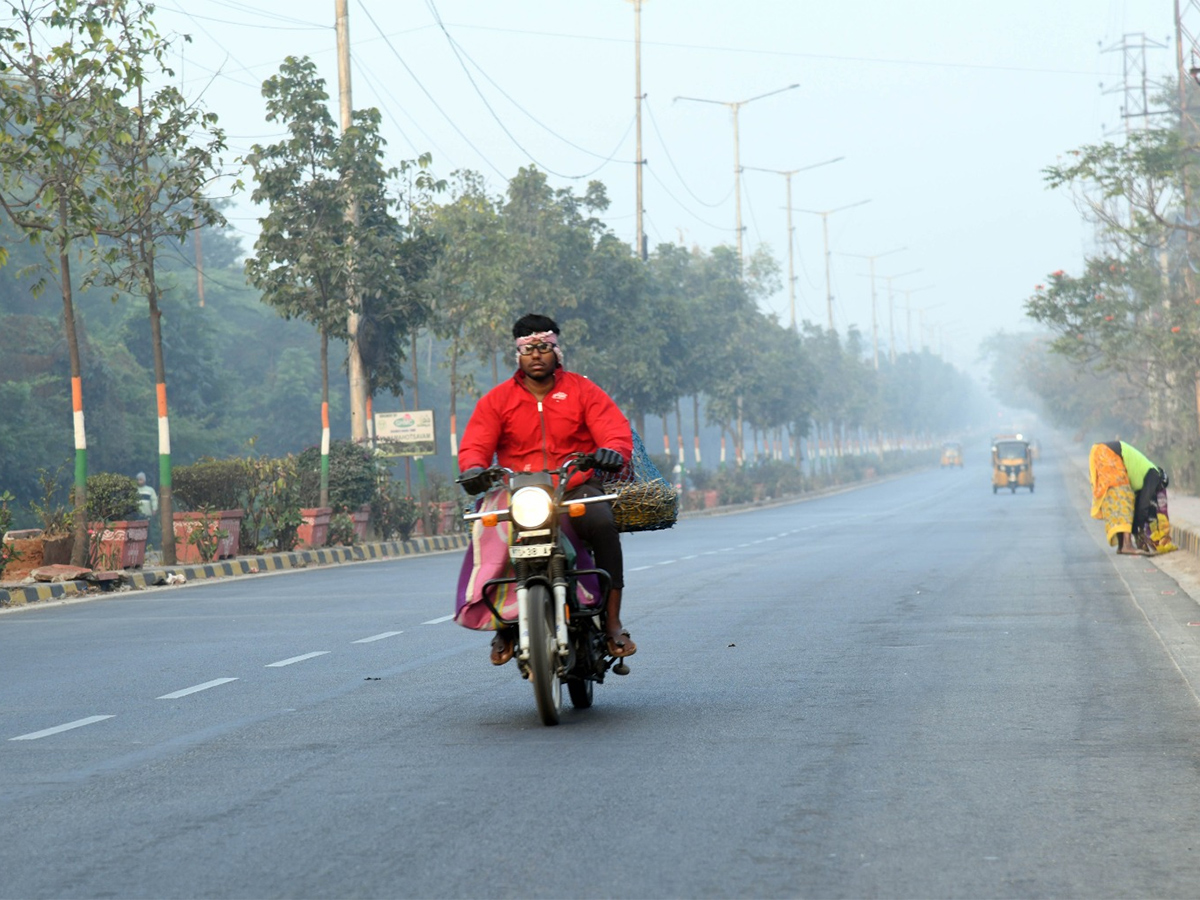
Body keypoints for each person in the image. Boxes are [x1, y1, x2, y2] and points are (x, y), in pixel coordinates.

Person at [457, 313, 635, 665]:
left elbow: (613, 429)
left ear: (557, 351)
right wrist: (473, 469)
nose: (536, 355)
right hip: (518, 492)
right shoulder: (497, 400)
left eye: (544, 347)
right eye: (528, 349)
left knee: (602, 522)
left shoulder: (583, 391)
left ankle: (613, 622)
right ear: (518, 355)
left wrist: (611, 451)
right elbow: (475, 445)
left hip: (573, 486)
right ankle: (504, 626)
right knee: (488, 527)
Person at [1089, 441, 1176, 555]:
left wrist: (1139, 530)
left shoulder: (1143, 476)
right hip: (1107, 453)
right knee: (1125, 500)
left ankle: (1122, 546)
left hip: (1103, 452)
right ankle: (1127, 545)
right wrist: (1138, 531)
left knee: (1120, 501)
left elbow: (1139, 507)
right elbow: (1143, 506)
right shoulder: (1155, 475)